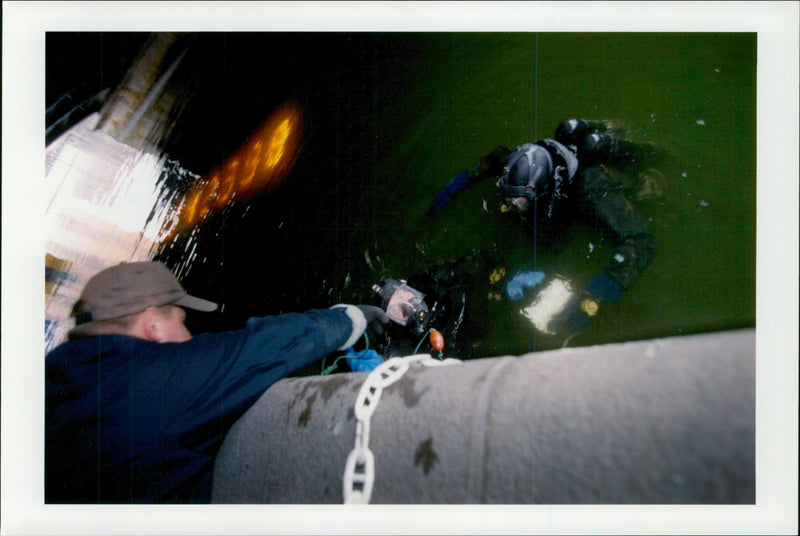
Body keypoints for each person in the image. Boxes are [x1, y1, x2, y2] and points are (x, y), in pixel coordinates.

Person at [45, 261, 388, 503]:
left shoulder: (60, 382)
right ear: (153, 324)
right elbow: (261, 348)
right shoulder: (142, 384)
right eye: (181, 321)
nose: (189, 334)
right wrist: (352, 319)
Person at [426, 118, 660, 336]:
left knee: (558, 241)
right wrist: (453, 188)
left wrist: (594, 298)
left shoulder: (592, 187)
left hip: (594, 195)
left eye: (517, 201)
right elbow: (493, 159)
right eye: (508, 198)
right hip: (554, 200)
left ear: (544, 187)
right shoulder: (519, 162)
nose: (510, 206)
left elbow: (642, 242)